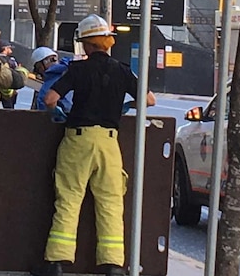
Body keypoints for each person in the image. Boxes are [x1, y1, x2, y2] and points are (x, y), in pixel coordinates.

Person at [32, 15, 156, 276]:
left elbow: (51, 98)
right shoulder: (123, 70)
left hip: (78, 139)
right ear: (108, 43)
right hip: (109, 143)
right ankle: (113, 266)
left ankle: (56, 262)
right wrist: (125, 106)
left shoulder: (77, 70)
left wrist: (56, 114)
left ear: (86, 44)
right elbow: (150, 100)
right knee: (111, 203)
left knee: (68, 199)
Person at [31, 47, 73, 113]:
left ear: (44, 63)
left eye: (38, 68)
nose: (39, 71)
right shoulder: (75, 71)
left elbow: (44, 114)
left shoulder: (45, 90)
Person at [0, 40, 19, 109]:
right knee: (9, 111)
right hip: (9, 90)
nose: (11, 50)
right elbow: (16, 72)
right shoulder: (11, 61)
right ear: (5, 48)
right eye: (9, 48)